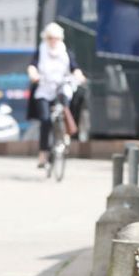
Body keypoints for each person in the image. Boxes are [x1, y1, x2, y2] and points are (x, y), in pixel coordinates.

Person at [26, 23, 86, 169]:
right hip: (45, 88)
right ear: (46, 39)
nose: (53, 41)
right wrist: (34, 75)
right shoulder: (41, 51)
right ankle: (43, 154)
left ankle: (65, 134)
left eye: (56, 38)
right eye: (50, 38)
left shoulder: (66, 52)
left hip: (61, 86)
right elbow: (32, 66)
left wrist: (79, 76)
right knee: (45, 120)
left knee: (65, 105)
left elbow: (75, 68)